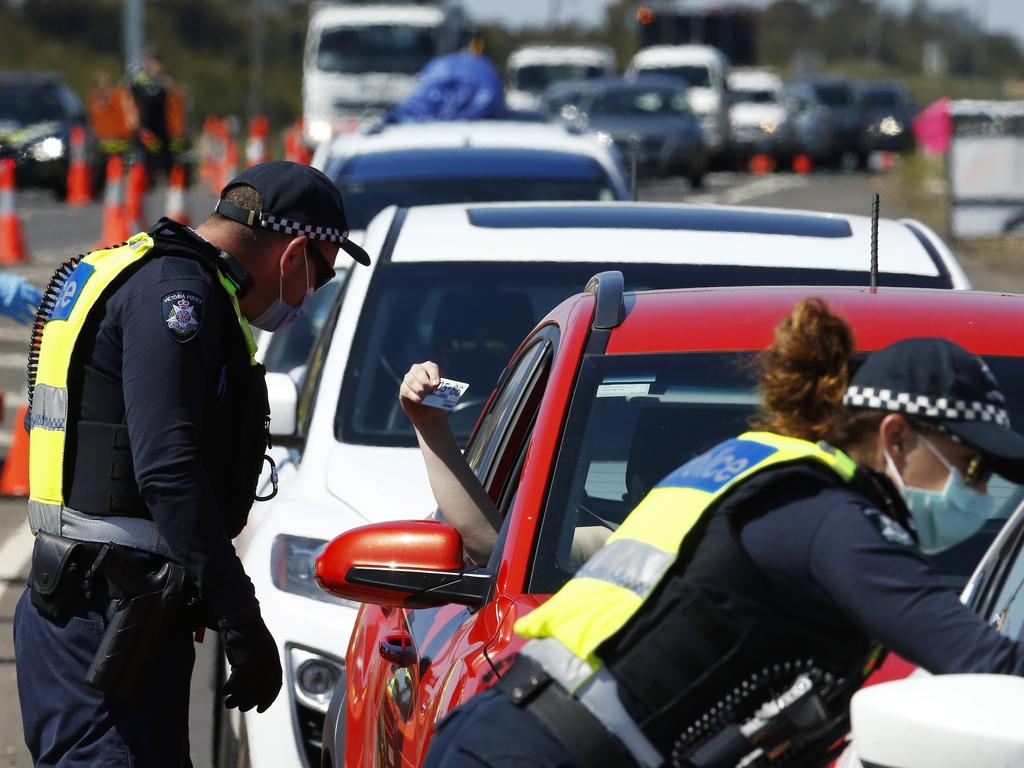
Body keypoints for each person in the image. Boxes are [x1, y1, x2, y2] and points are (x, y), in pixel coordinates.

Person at [420, 298, 1024, 768]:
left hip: (506, 730)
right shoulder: (830, 517)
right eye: (971, 466)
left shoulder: (756, 468)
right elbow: (988, 667)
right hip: (547, 753)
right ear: (896, 438)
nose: (981, 492)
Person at [14, 160, 371, 767]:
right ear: (295, 255)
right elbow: (168, 471)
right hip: (105, 614)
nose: (310, 296)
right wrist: (241, 615)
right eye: (320, 275)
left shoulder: (145, 271)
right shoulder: (178, 295)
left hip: (94, 603)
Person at [401, 361, 611, 567]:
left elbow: (496, 551)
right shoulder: (625, 544)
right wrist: (429, 423)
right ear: (635, 478)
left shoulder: (624, 543)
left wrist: (430, 424)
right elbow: (494, 549)